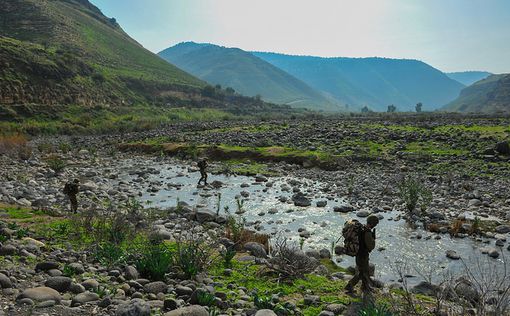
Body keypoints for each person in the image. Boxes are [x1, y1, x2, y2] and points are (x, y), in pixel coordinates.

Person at [344, 214, 379, 294]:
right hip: (363, 254)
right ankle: (349, 286)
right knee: (361, 272)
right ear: (373, 223)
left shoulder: (361, 228)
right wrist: (373, 239)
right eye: (375, 224)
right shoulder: (367, 232)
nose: (375, 225)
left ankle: (365, 287)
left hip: (358, 253)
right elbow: (370, 246)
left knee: (365, 271)